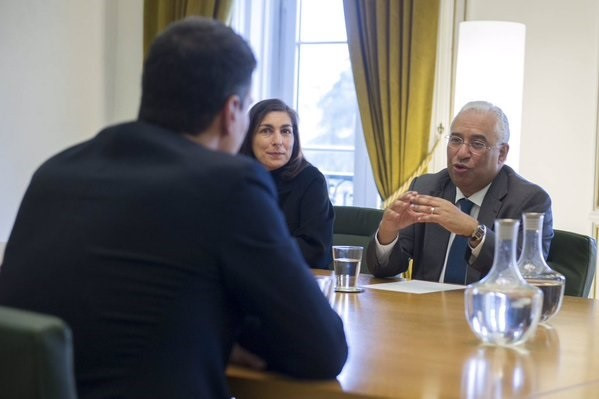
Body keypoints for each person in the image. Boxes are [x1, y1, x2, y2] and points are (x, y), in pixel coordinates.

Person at [0, 17, 347, 399]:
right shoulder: (230, 185)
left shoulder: (55, 172)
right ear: (232, 113)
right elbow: (324, 350)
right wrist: (231, 329)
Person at [366, 100, 553, 284]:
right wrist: (387, 234)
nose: (462, 152)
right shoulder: (426, 188)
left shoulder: (529, 200)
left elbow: (527, 274)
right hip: (426, 310)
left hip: (487, 310)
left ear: (502, 153)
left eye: (477, 143)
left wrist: (475, 232)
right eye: (455, 140)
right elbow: (385, 269)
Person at [239, 99, 334, 269]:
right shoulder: (235, 179)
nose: (278, 141)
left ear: (294, 138)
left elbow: (316, 252)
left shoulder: (311, 180)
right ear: (248, 137)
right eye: (266, 131)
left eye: (285, 131)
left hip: (293, 283)